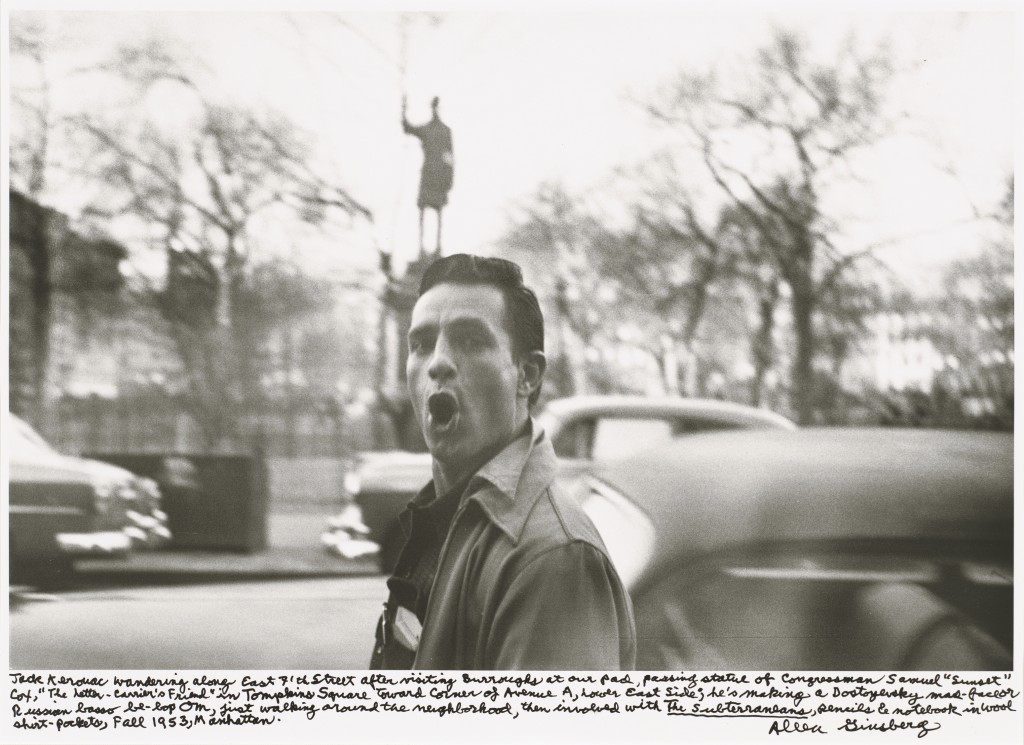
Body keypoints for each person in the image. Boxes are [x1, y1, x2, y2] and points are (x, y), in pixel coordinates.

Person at [370, 254, 635, 670]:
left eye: (471, 341)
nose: (437, 362)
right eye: (420, 344)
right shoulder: (448, 517)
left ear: (527, 375)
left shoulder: (553, 559)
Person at [402, 96, 454, 257]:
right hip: (428, 173)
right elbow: (408, 128)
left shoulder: (446, 131)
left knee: (438, 213)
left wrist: (450, 179)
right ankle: (421, 249)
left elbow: (450, 157)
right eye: (434, 107)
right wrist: (403, 108)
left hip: (439, 176)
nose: (435, 110)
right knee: (423, 210)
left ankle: (437, 249)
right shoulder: (426, 129)